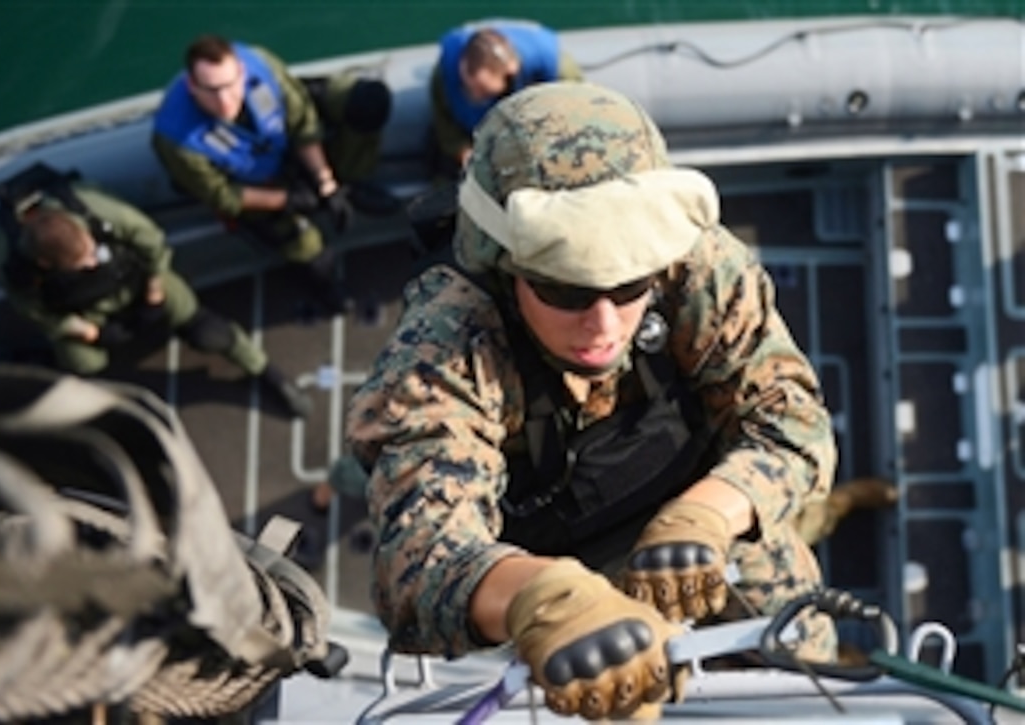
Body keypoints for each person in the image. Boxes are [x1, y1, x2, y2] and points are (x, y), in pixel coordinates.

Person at [347, 82, 839, 720]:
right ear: (505, 264)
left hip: (707, 531)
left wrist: (706, 517)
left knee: (810, 659)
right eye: (565, 292)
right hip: (564, 588)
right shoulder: (448, 346)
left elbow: (790, 420)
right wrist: (544, 601)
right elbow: (418, 562)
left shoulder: (692, 266)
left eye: (628, 284)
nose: (605, 326)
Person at [0, 163, 313, 418]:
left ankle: (263, 370)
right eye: (83, 261)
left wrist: (155, 290)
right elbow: (36, 311)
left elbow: (152, 242)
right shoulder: (13, 265)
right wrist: (91, 332)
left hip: (137, 280)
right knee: (84, 366)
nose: (92, 260)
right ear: (46, 264)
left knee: (207, 331)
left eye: (92, 250)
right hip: (85, 312)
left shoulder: (95, 209)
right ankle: (111, 413)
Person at [152, 34, 395, 316]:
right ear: (192, 85)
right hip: (253, 187)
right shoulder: (177, 139)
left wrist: (326, 184)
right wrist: (290, 200)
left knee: (367, 100)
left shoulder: (261, 67)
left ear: (242, 72)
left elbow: (302, 122)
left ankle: (351, 182)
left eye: (231, 86)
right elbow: (223, 196)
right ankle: (324, 285)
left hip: (279, 147)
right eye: (211, 89)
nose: (224, 100)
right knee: (314, 258)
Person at [428, 19, 583, 175]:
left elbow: (576, 116)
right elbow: (446, 124)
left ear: (510, 72)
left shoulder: (559, 71)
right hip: (476, 141)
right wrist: (464, 152)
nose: (476, 96)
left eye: (483, 91)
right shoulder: (444, 77)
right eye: (471, 88)